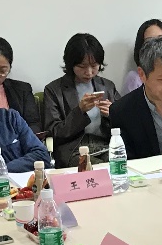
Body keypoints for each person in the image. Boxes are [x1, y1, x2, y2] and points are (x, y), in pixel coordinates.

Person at [40, 34, 120, 169]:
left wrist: (113, 114)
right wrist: (79, 111)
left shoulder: (107, 86)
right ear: (71, 64)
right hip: (74, 149)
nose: (89, 72)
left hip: (106, 145)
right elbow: (54, 131)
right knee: (101, 168)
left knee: (122, 164)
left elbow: (126, 123)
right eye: (82, 66)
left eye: (94, 66)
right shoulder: (54, 90)